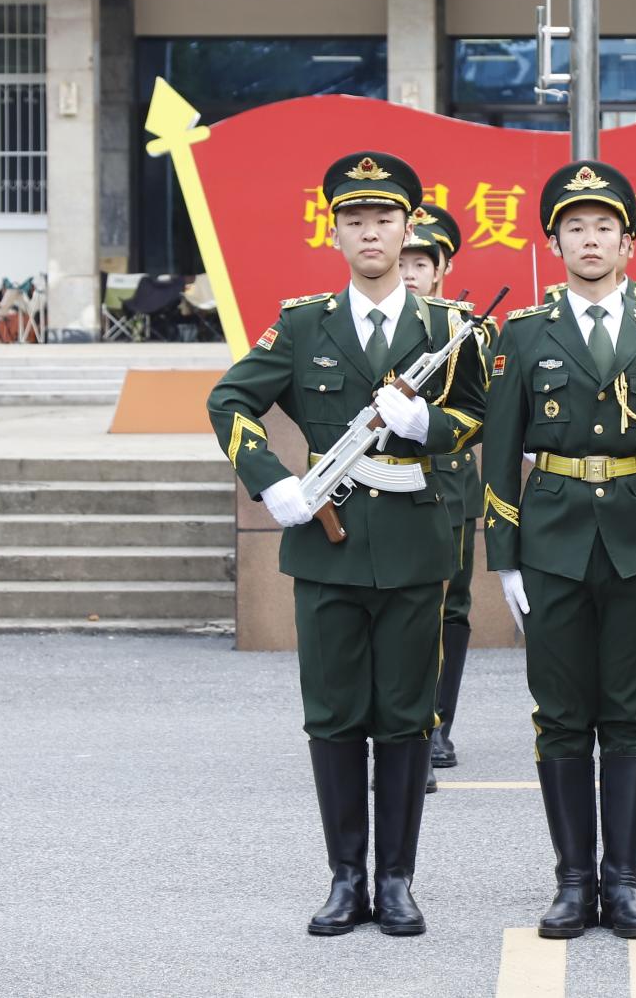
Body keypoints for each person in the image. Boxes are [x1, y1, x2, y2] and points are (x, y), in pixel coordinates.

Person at [207, 152, 487, 939]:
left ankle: (395, 880)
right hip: (327, 548)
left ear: (408, 229)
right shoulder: (303, 324)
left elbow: (481, 413)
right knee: (332, 715)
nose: (370, 232)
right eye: (354, 220)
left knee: (405, 714)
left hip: (415, 543)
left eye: (384, 219)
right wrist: (272, 482)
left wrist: (428, 424)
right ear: (334, 232)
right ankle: (344, 877)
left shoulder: (449, 326)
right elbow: (229, 399)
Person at [481, 160, 636, 941]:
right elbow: (499, 449)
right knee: (561, 713)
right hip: (552, 538)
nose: (589, 239)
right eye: (574, 227)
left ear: (629, 242)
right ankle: (574, 880)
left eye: (604, 226)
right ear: (554, 242)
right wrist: (504, 556)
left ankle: (626, 880)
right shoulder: (522, 332)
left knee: (631, 711)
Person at [396, 202, 488, 782]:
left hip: (448, 485)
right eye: (403, 261)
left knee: (449, 606)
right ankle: (400, 725)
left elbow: (485, 408)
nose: (410, 273)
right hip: (382, 487)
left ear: (442, 269)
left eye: (421, 264)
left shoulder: (466, 330)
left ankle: (437, 725)